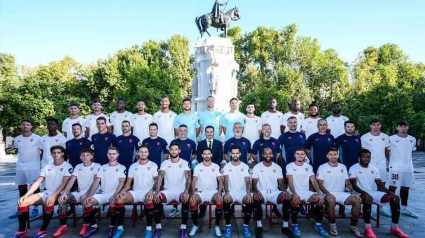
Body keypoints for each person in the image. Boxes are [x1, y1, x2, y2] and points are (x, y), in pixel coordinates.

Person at [10, 146, 73, 238]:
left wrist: (54, 196)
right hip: (47, 192)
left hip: (61, 193)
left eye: (58, 152)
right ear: (51, 154)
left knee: (49, 202)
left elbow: (64, 184)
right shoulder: (47, 166)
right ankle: (22, 230)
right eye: (54, 152)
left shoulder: (68, 166)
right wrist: (26, 195)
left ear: (62, 153)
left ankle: (43, 230)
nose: (56, 154)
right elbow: (38, 182)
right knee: (22, 202)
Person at [349, 149, 410, 238]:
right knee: (367, 199)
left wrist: (392, 193)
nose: (366, 159)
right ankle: (368, 227)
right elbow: (354, 186)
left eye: (368, 157)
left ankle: (394, 227)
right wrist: (365, 193)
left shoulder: (374, 169)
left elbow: (380, 186)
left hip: (372, 192)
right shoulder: (354, 168)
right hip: (358, 193)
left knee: (395, 199)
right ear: (359, 158)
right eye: (363, 157)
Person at [80, 147, 126, 238]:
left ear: (117, 155)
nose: (111, 156)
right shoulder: (102, 167)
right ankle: (93, 226)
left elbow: (121, 183)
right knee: (87, 202)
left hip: (115, 194)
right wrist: (89, 195)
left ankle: (112, 226)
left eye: (113, 154)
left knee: (113, 202)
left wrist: (114, 195)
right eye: (109, 154)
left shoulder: (121, 167)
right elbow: (96, 181)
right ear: (107, 155)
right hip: (104, 194)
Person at [316, 148, 363, 237]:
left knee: (357, 200)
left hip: (341, 193)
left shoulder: (343, 167)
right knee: (331, 200)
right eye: (331, 154)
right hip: (327, 193)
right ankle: (332, 225)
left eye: (335, 154)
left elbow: (347, 182)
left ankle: (353, 226)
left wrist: (352, 192)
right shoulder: (322, 167)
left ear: (338, 155)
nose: (333, 156)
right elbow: (319, 184)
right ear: (327, 156)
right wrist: (328, 193)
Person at [54, 148, 101, 237]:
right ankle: (63, 226)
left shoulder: (97, 166)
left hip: (93, 192)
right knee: (62, 199)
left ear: (91, 156)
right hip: (80, 192)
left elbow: (95, 181)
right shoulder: (78, 166)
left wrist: (87, 194)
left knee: (86, 200)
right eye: (83, 155)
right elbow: (72, 180)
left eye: (87, 155)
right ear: (80, 157)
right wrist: (64, 192)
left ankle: (86, 225)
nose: (85, 157)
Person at [114, 146, 158, 238]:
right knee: (120, 198)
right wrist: (123, 190)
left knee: (149, 199)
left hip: (149, 192)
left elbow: (157, 182)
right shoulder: (133, 166)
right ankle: (120, 228)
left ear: (148, 153)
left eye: (145, 152)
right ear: (138, 153)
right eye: (141, 152)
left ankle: (148, 229)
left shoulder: (153, 165)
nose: (143, 154)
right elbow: (128, 183)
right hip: (136, 192)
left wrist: (151, 191)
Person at [286, 148, 329, 237]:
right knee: (295, 199)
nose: (300, 156)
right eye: (298, 154)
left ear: (305, 156)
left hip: (305, 191)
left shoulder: (308, 167)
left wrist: (319, 193)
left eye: (302, 154)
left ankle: (318, 225)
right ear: (294, 155)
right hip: (293, 191)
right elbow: (290, 180)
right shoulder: (290, 166)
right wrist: (294, 193)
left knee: (319, 199)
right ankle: (295, 225)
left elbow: (313, 180)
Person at [153, 143, 192, 238]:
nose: (174, 151)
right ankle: (158, 227)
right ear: (169, 151)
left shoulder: (184, 163)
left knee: (186, 199)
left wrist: (186, 191)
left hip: (180, 191)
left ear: (179, 151)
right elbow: (160, 177)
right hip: (168, 191)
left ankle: (183, 228)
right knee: (156, 198)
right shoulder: (165, 163)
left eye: (176, 149)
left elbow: (188, 178)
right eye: (172, 149)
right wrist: (157, 191)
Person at [251, 148, 292, 238]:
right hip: (262, 192)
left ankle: (285, 226)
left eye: (270, 153)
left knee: (287, 197)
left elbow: (281, 183)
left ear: (273, 155)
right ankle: (259, 226)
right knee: (256, 198)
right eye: (266, 153)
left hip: (274, 192)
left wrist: (285, 191)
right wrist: (256, 191)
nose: (268, 155)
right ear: (262, 155)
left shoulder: (277, 167)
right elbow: (254, 183)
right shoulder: (257, 167)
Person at [9, 119, 42, 219]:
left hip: (33, 167)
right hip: (20, 167)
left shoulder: (37, 138)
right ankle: (22, 207)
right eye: (23, 125)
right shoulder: (17, 139)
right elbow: (14, 149)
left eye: (28, 125)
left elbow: (43, 151)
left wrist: (39, 162)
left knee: (35, 187)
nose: (25, 126)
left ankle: (36, 208)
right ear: (21, 126)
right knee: (22, 187)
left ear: (31, 126)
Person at [188, 147, 223, 237]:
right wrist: (193, 194)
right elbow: (194, 180)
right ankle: (195, 225)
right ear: (202, 155)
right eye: (205, 154)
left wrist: (219, 193)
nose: (207, 155)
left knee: (219, 200)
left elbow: (220, 180)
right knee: (192, 201)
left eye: (208, 154)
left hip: (213, 192)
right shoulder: (198, 167)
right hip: (201, 192)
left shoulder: (216, 166)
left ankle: (217, 226)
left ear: (211, 155)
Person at [360, 119, 391, 216]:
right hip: (369, 165)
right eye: (374, 125)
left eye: (378, 125)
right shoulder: (365, 137)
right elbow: (362, 152)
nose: (376, 126)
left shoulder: (385, 137)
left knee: (381, 185)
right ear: (370, 126)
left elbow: (387, 151)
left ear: (380, 126)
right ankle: (363, 207)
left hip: (381, 165)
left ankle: (381, 207)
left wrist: (389, 163)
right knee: (366, 185)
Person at [388, 121, 418, 218]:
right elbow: (387, 152)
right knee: (392, 187)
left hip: (408, 167)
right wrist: (391, 162)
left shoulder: (412, 139)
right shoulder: (391, 139)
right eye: (401, 126)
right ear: (397, 128)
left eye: (405, 126)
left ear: (407, 127)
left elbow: (411, 152)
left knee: (406, 187)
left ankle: (404, 208)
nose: (403, 128)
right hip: (395, 167)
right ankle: (390, 207)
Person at [222, 146, 254, 238]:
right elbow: (225, 180)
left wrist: (248, 193)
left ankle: (246, 226)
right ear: (230, 154)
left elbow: (248, 181)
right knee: (226, 200)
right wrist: (227, 193)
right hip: (231, 192)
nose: (235, 155)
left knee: (250, 201)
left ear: (240, 154)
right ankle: (228, 226)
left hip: (242, 192)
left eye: (237, 153)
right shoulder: (227, 166)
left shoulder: (245, 166)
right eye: (233, 153)